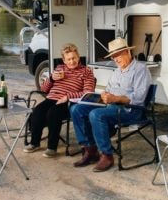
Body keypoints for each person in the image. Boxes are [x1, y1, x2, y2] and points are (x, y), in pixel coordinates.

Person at [70, 37, 151, 172]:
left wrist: (115, 98)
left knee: (96, 114)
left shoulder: (140, 69)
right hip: (111, 105)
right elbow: (108, 90)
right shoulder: (117, 71)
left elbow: (139, 97)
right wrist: (104, 95)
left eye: (118, 55)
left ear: (127, 52)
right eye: (113, 56)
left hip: (131, 110)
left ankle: (106, 155)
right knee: (77, 109)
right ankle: (90, 150)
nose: (116, 59)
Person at [23, 43, 96, 158]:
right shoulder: (59, 68)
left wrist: (68, 96)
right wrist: (51, 78)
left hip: (69, 102)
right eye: (69, 59)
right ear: (64, 60)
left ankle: (52, 148)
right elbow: (43, 89)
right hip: (51, 98)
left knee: (53, 114)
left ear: (78, 57)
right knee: (37, 111)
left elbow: (88, 93)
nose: (72, 61)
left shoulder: (86, 72)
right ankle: (34, 143)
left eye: (74, 58)